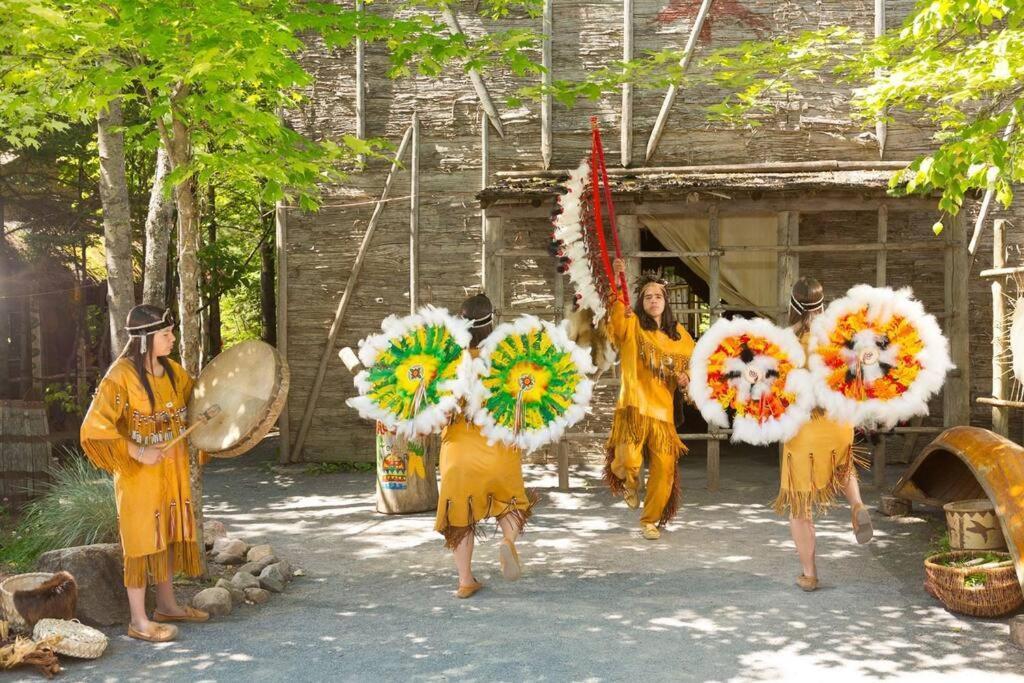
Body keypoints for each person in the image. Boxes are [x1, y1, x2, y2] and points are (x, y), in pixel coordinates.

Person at [80, 305, 209, 642]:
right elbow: (94, 427)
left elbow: (198, 402)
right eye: (165, 334)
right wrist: (138, 450)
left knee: (164, 534)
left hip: (172, 470)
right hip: (138, 475)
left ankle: (166, 605)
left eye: (171, 332)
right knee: (140, 543)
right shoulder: (120, 375)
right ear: (144, 339)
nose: (172, 338)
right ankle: (138, 621)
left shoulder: (174, 373)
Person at [775, 276, 873, 592]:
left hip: (803, 427)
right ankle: (857, 505)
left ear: (793, 305)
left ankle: (810, 573)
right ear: (822, 304)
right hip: (836, 422)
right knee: (842, 464)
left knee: (799, 506)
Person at [433, 294, 535, 598]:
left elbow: (436, 414)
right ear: (493, 321)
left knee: (460, 513)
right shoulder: (506, 358)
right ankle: (508, 542)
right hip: (499, 445)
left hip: (458, 449)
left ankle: (465, 580)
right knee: (511, 501)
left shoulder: (449, 361)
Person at [604, 259, 695, 540]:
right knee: (629, 462)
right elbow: (616, 320)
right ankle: (628, 481)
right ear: (641, 302)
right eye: (647, 296)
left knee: (665, 470)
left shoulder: (680, 335)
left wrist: (686, 379)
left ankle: (650, 520)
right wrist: (618, 280)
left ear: (666, 301)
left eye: (658, 296)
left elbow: (694, 364)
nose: (653, 300)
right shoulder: (632, 325)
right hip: (634, 407)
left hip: (662, 414)